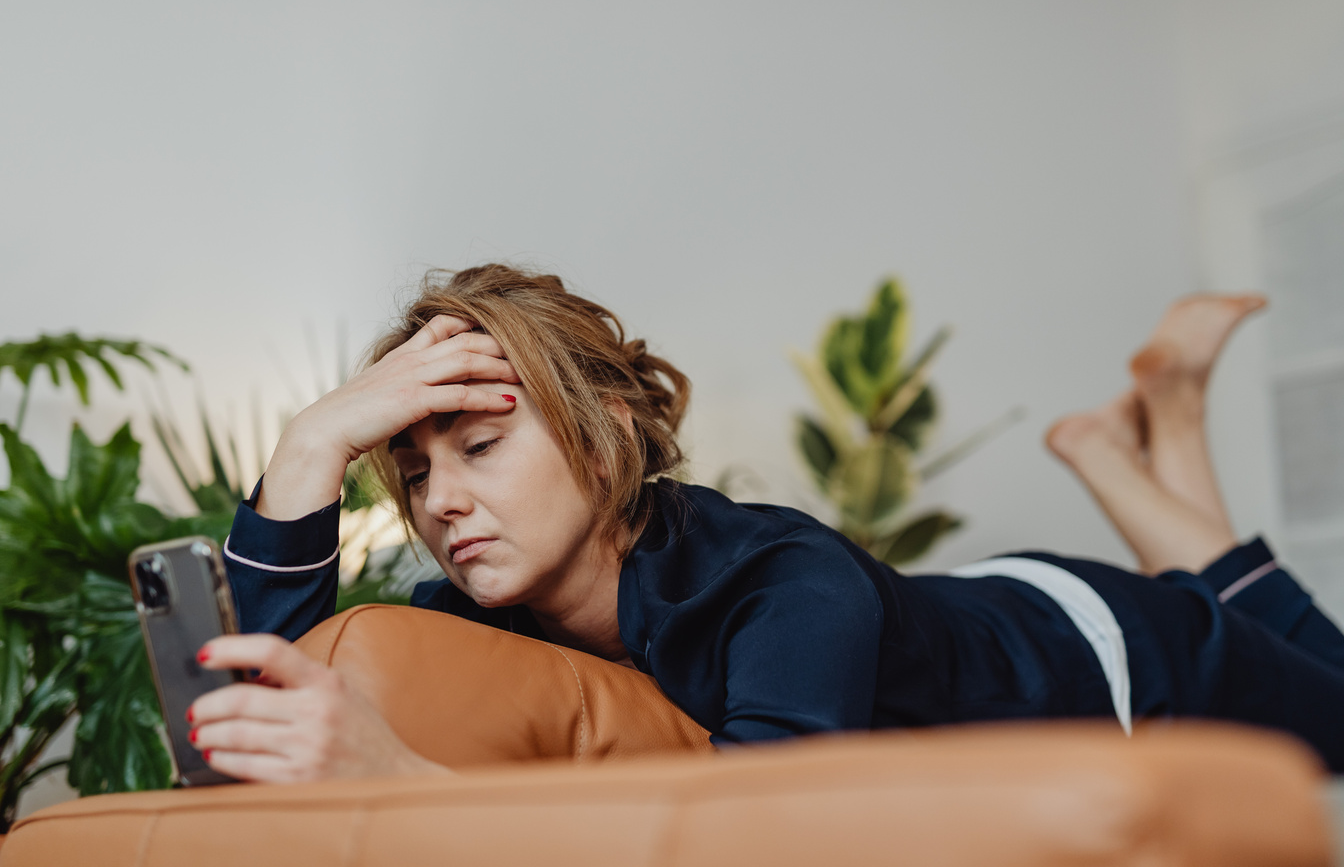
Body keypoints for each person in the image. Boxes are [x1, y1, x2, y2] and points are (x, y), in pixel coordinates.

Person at [188, 265, 1344, 783]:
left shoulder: (780, 578)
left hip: (1107, 643)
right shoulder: (471, 613)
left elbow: (764, 829)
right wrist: (308, 447)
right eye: (409, 467)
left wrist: (408, 781)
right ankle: (1141, 438)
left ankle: (1151, 440)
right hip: (966, 602)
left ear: (602, 438)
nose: (439, 502)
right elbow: (251, 710)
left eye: (480, 447)